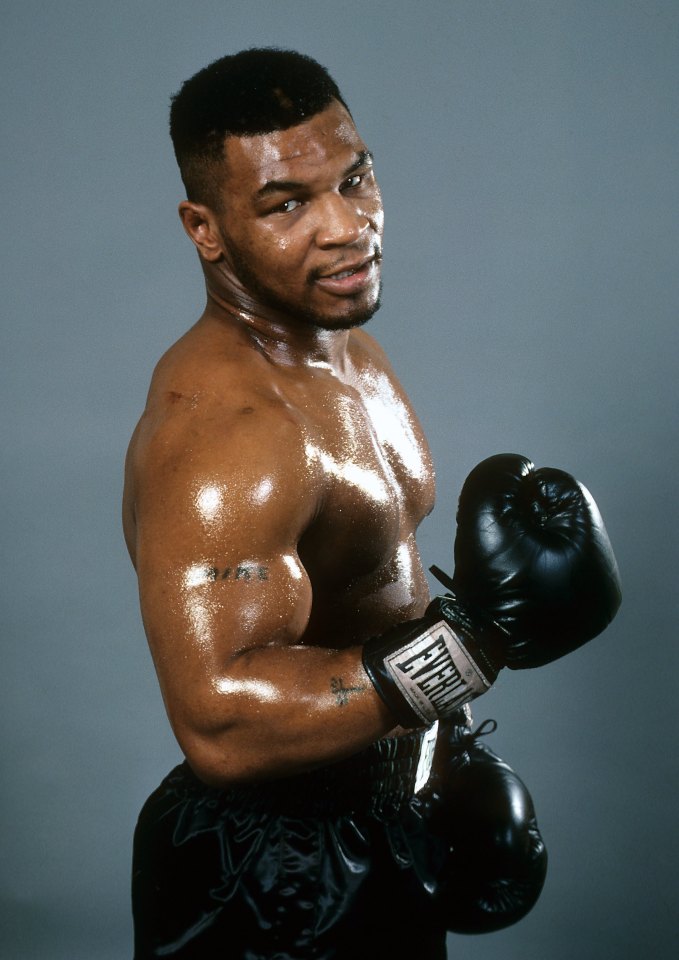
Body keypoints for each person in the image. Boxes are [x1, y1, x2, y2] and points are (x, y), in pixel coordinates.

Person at [122, 48, 621, 960]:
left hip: (380, 800)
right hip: (272, 866)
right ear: (206, 228)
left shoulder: (346, 351)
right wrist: (475, 644)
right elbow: (220, 721)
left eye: (355, 180)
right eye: (286, 205)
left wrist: (446, 741)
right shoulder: (227, 432)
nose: (346, 227)